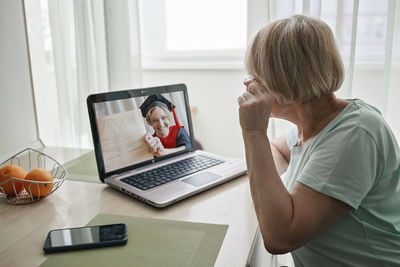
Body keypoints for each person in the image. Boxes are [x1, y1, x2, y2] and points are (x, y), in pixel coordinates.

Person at [238, 15, 400, 266]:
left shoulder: (355, 134)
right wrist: (269, 188)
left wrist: (253, 131)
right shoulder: (312, 127)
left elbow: (279, 237)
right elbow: (277, 150)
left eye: (256, 74)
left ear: (286, 77)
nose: (248, 84)